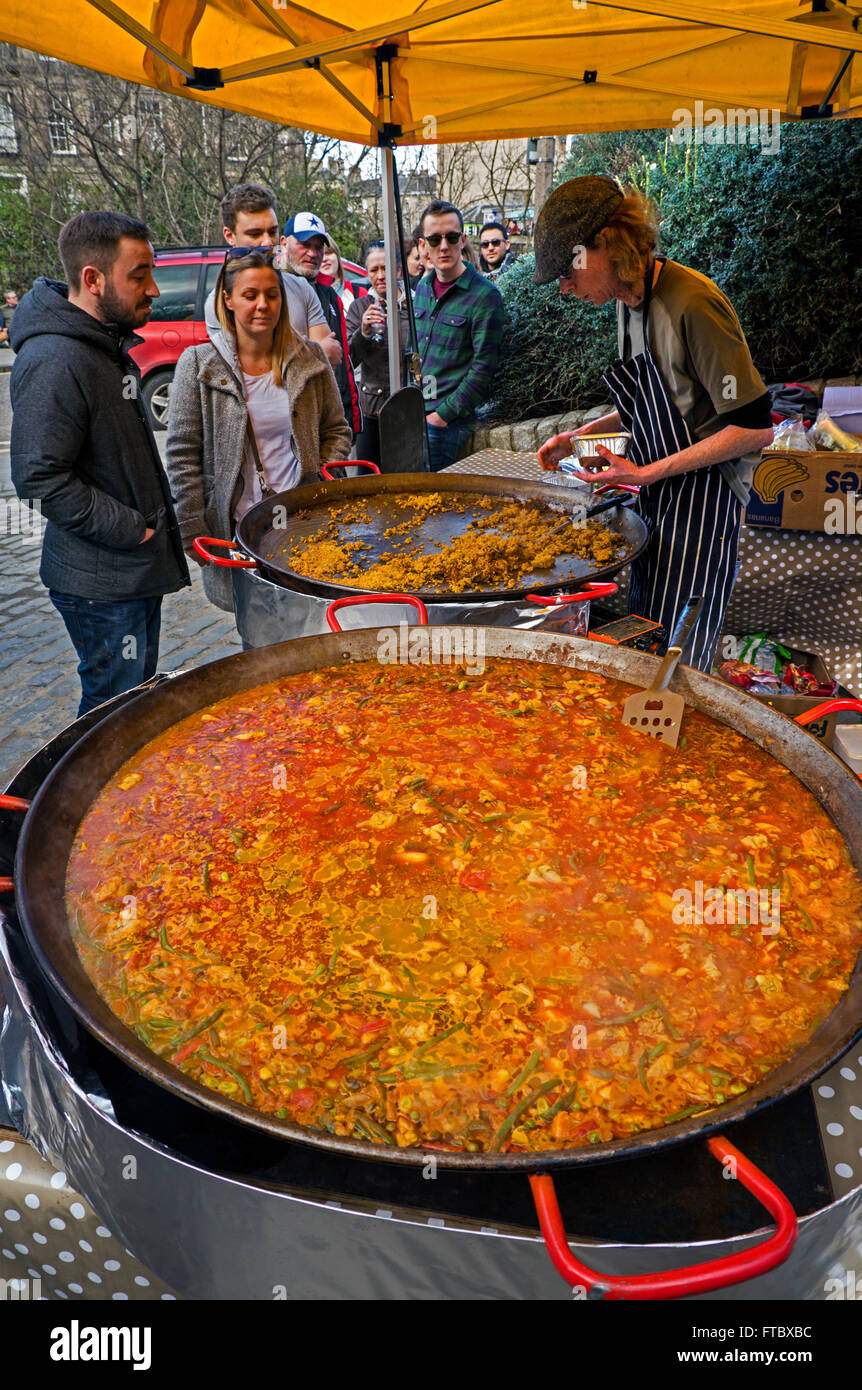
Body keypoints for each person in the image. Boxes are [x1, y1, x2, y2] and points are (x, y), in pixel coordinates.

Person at [534, 176, 774, 672]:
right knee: (648, 637)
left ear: (604, 244)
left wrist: (644, 473)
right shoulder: (628, 305)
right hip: (661, 498)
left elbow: (754, 428)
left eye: (566, 271)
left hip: (705, 506)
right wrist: (579, 436)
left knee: (677, 662)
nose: (564, 287)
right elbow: (655, 399)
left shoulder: (692, 303)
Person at [10, 211, 189, 715]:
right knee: (113, 716)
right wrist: (134, 530)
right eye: (138, 275)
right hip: (101, 585)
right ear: (93, 279)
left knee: (129, 703)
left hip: (127, 576)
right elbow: (39, 478)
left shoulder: (101, 342)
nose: (153, 288)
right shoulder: (55, 359)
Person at [166, 248, 351, 619]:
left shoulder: (309, 358)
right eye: (250, 295)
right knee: (258, 628)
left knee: (312, 622)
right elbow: (182, 453)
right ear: (227, 299)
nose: (263, 305)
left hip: (304, 521)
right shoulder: (199, 364)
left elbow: (337, 429)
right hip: (238, 532)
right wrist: (191, 526)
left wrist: (324, 479)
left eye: (271, 294)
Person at [413, 199, 505, 472]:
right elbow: (413, 354)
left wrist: (441, 416)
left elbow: (484, 370)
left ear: (463, 239)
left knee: (437, 508)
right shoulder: (423, 287)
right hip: (415, 416)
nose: (443, 246)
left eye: (451, 237)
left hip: (446, 424)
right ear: (423, 245)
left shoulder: (485, 296)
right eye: (435, 238)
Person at [213, 184, 342, 368]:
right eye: (255, 233)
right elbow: (247, 370)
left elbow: (332, 356)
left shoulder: (302, 288)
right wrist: (313, 353)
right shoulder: (218, 301)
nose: (267, 242)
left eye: (272, 232)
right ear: (229, 235)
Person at [281, 212, 361, 438]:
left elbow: (343, 363)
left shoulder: (330, 296)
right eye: (305, 244)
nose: (313, 253)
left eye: (318, 247)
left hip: (329, 421)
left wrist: (349, 419)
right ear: (284, 243)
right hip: (289, 423)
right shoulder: (271, 292)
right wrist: (316, 353)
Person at [346, 241, 410, 467]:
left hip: (407, 409)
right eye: (374, 270)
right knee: (367, 481)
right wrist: (362, 332)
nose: (381, 275)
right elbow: (348, 361)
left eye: (386, 268)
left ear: (399, 270)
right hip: (372, 410)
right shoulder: (359, 307)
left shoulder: (414, 305)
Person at [320, 239, 354, 314]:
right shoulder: (309, 294)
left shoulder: (359, 293)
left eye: (328, 253)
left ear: (338, 257)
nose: (324, 259)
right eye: (320, 254)